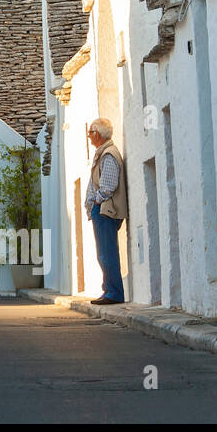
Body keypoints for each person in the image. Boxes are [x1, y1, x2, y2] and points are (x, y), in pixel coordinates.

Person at [84, 118, 127, 304]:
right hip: (101, 210)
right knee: (103, 252)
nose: (89, 136)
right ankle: (108, 289)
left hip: (105, 211)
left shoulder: (108, 154)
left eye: (90, 132)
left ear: (98, 134)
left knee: (107, 252)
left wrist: (95, 201)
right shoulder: (102, 153)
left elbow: (108, 186)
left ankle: (114, 293)